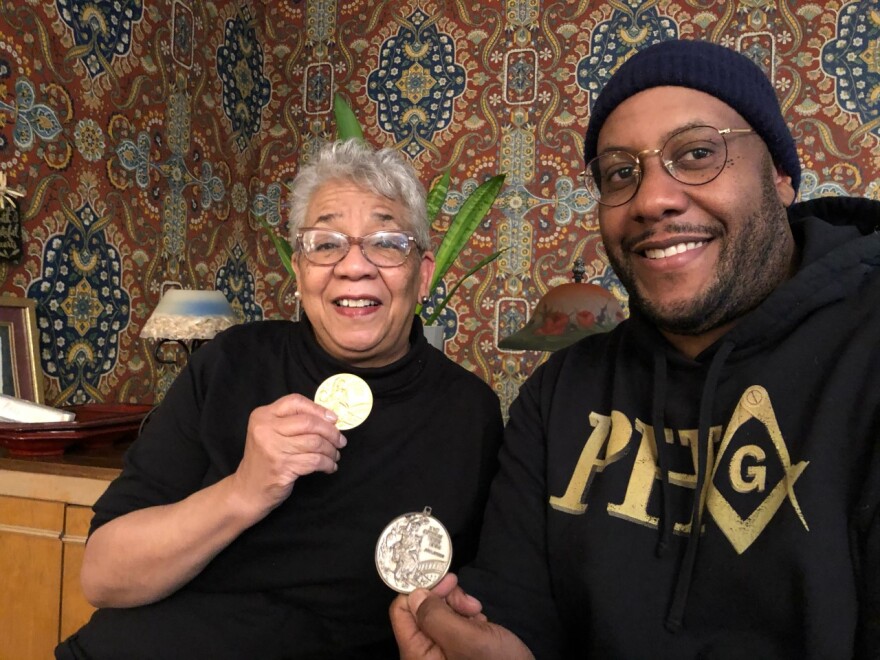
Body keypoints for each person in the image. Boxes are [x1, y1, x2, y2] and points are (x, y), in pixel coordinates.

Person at [391, 39, 880, 659]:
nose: (652, 200)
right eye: (622, 172)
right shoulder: (561, 394)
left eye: (698, 153)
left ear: (781, 176)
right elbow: (516, 615)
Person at [56, 140, 504, 659]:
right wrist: (244, 491)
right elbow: (103, 576)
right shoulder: (230, 363)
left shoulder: (469, 413)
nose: (353, 265)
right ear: (299, 271)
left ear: (422, 274)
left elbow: (467, 603)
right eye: (326, 242)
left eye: (385, 242)